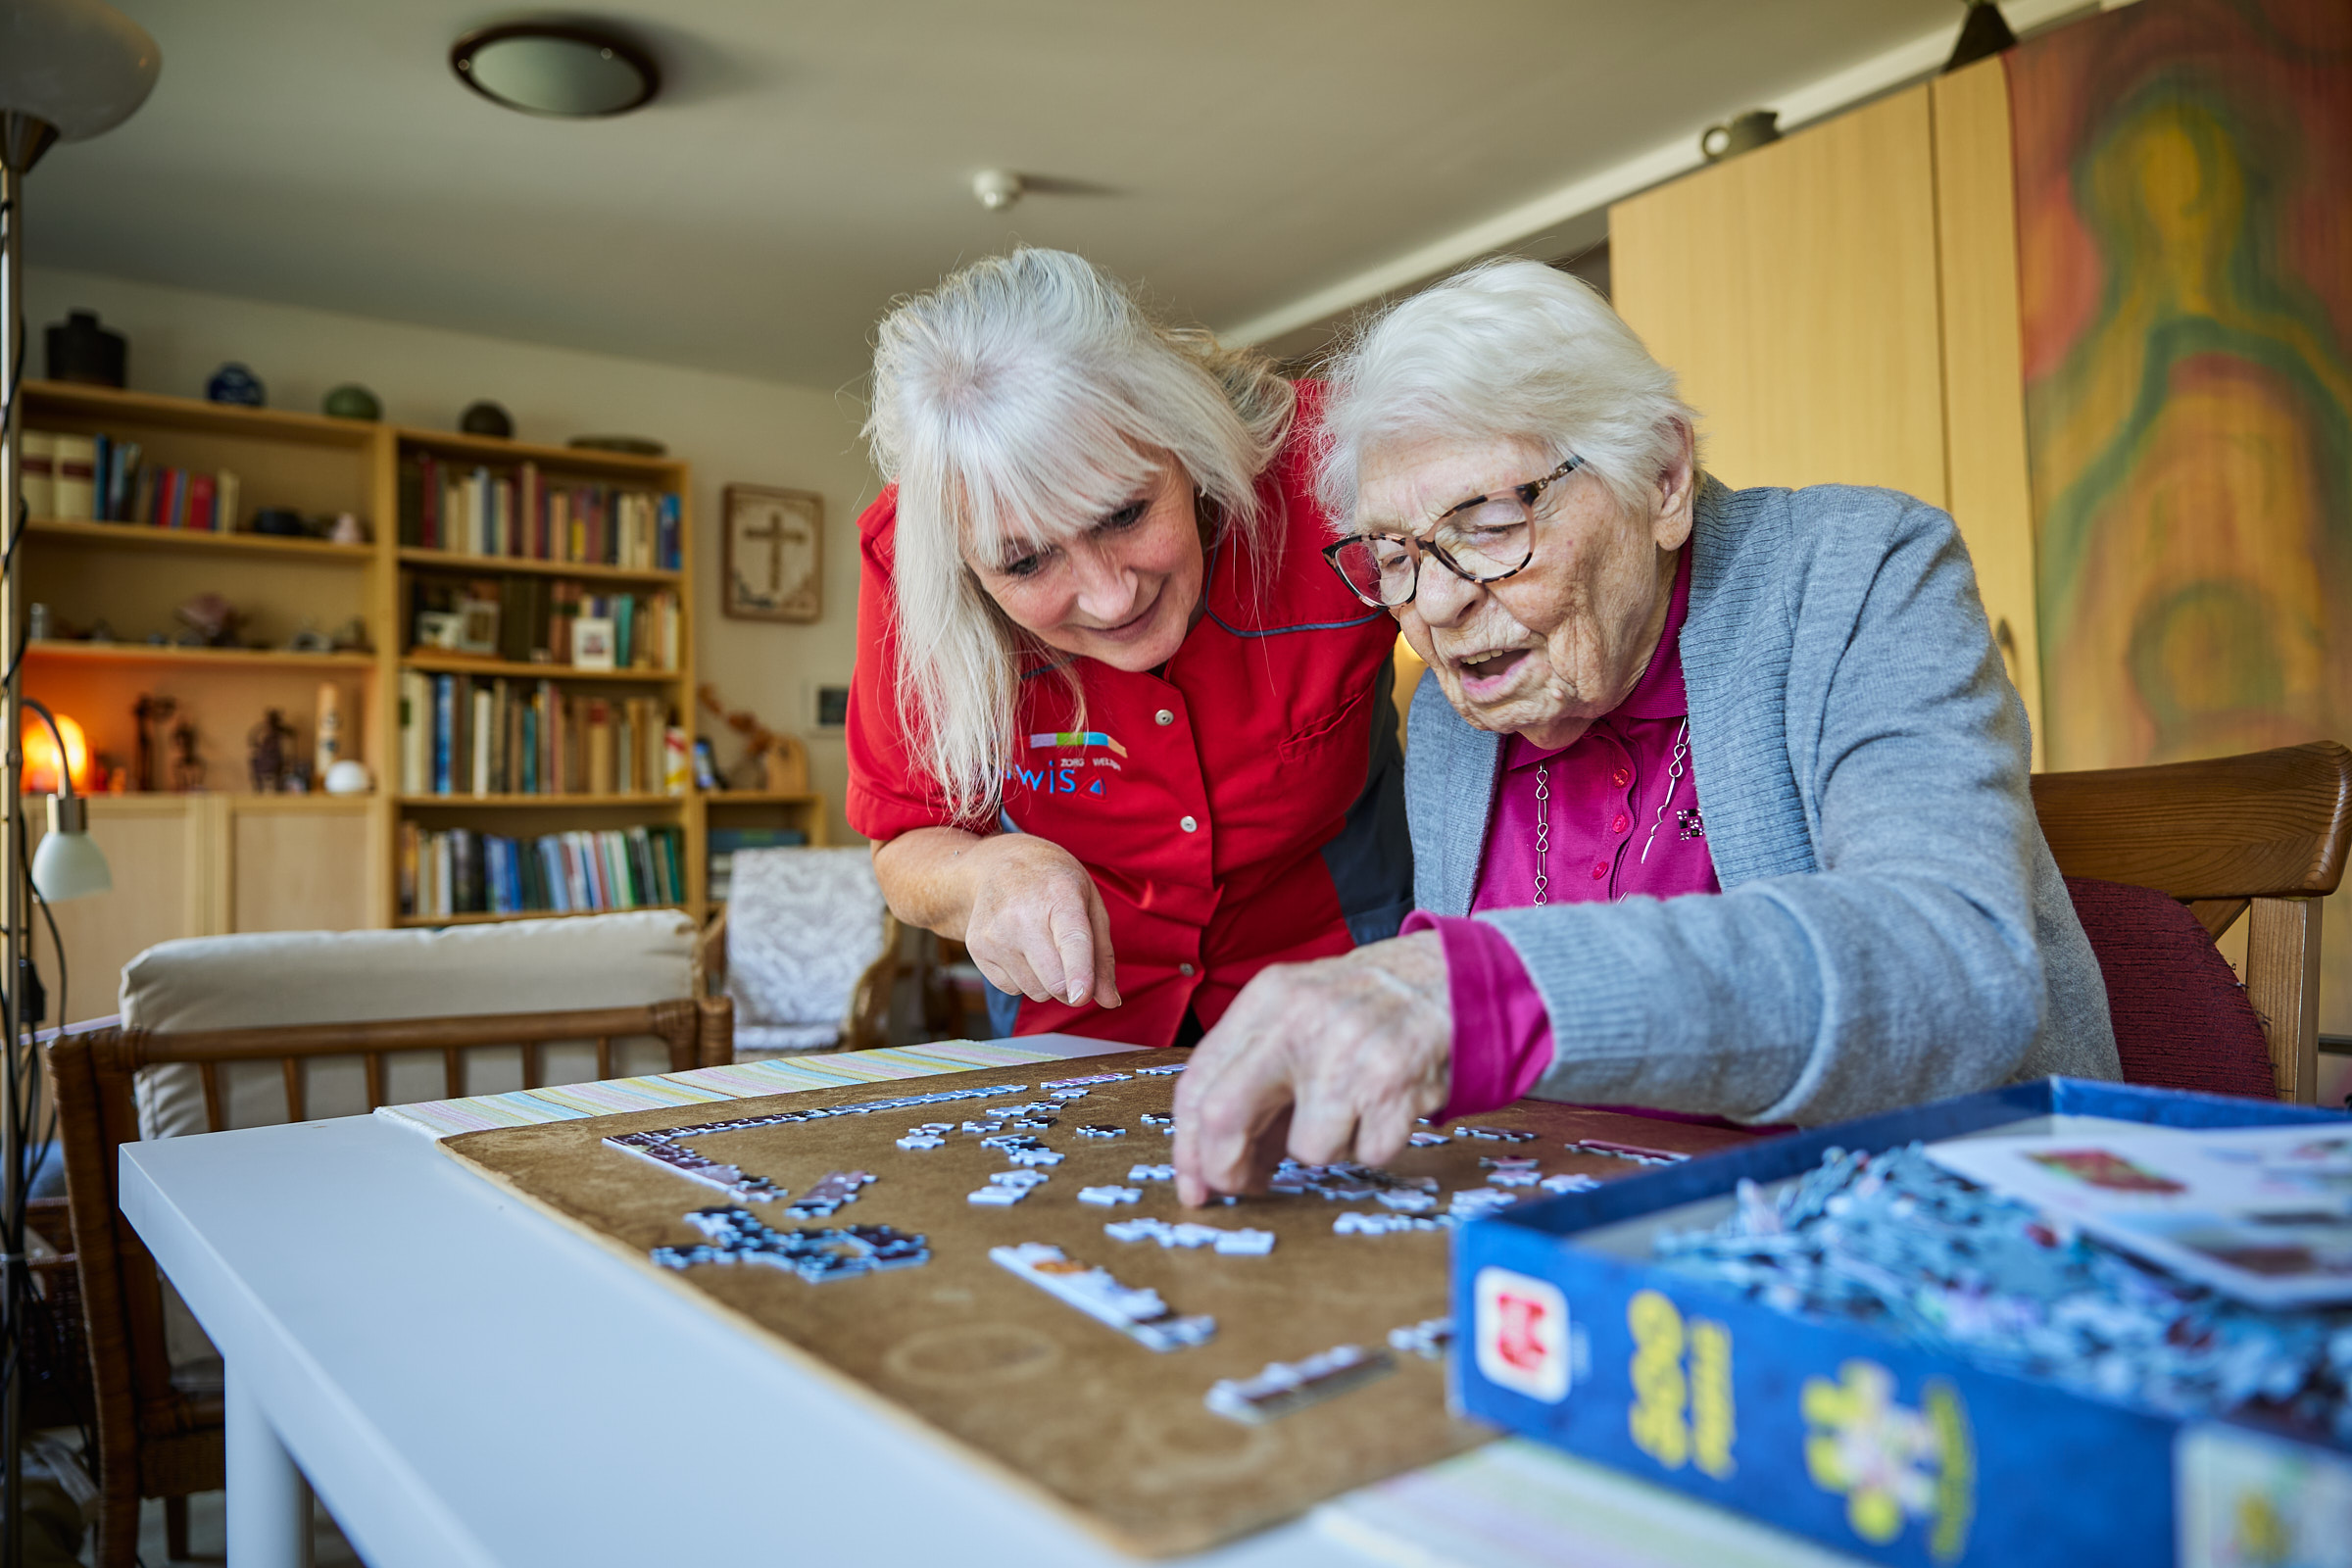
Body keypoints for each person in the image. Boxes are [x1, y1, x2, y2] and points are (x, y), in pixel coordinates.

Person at [1172, 259, 2119, 1204]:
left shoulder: (1858, 574)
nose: (1438, 603)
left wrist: (1479, 993)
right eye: (1392, 554)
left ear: (1663, 478)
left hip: (1933, 1225)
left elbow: (1950, 967)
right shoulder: (1460, 715)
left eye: (1492, 522)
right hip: (1581, 1240)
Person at [849, 249, 1411, 1048]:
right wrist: (983, 874)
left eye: (1124, 513)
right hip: (1080, 998)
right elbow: (905, 837)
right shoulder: (909, 565)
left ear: (1184, 439)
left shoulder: (1339, 465)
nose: (1113, 597)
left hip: (1337, 956)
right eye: (1026, 561)